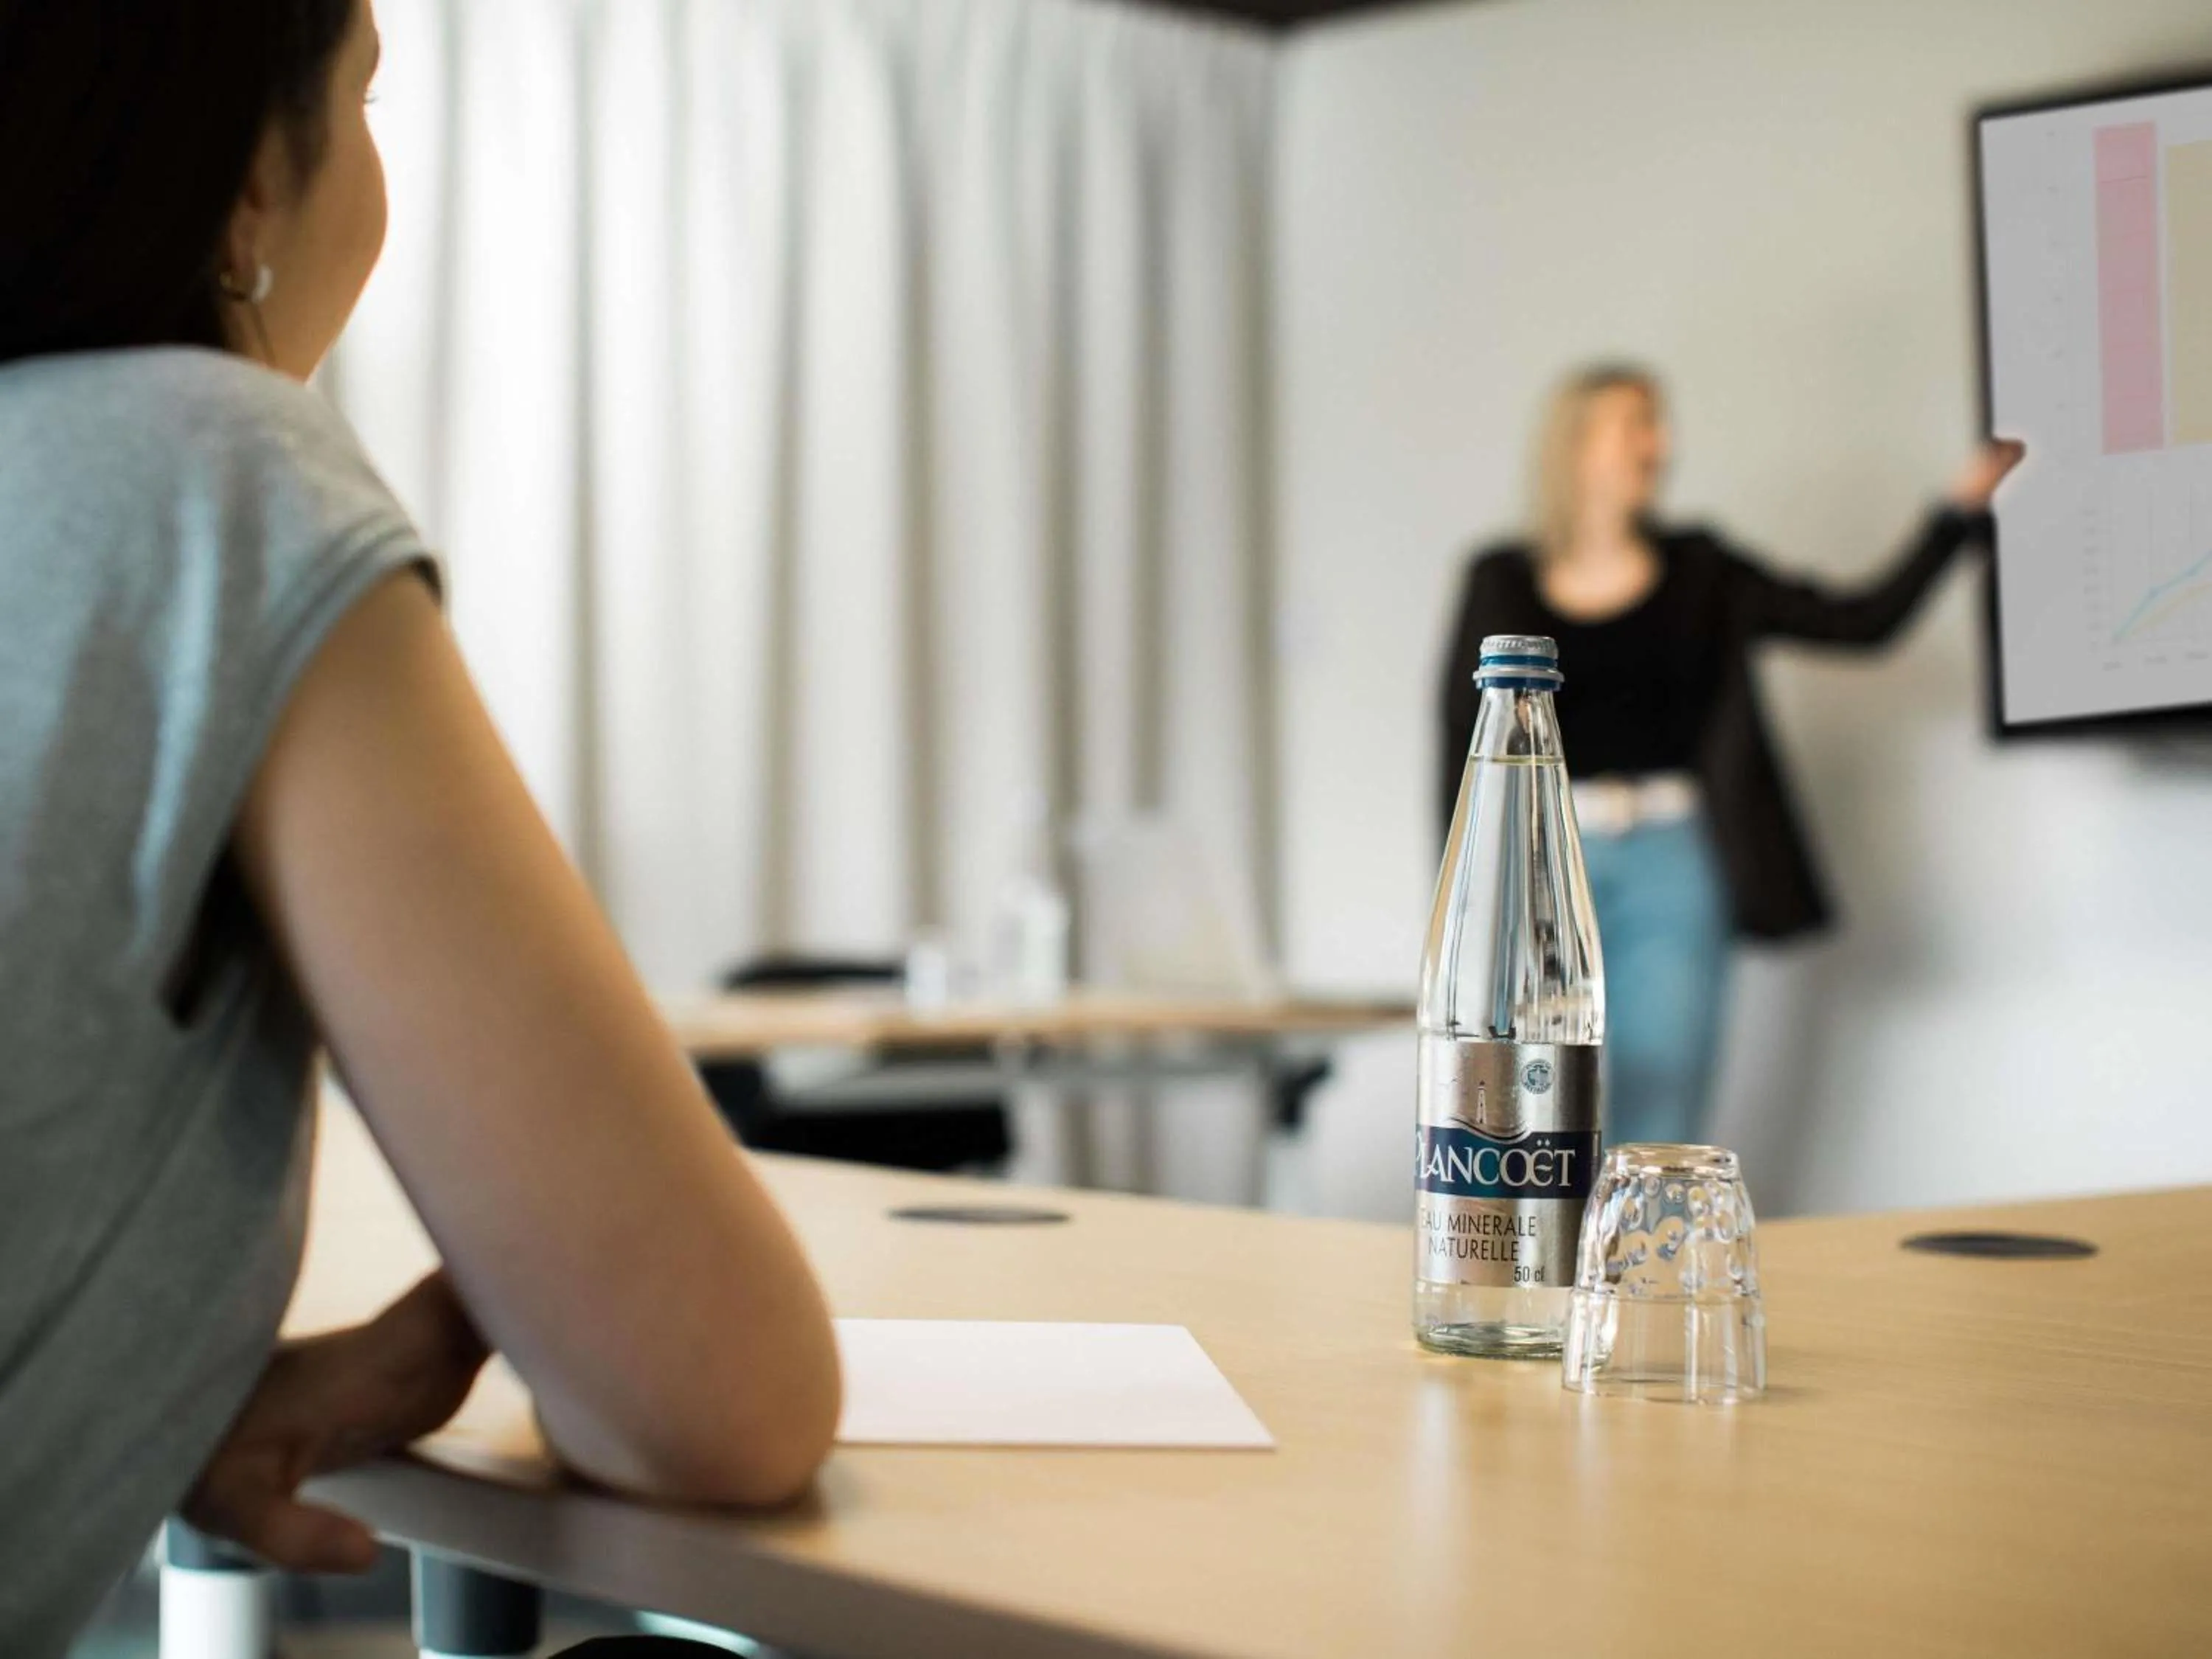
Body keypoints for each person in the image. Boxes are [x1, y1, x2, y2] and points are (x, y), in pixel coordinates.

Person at [0, 3, 841, 1652]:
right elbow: (716, 1400)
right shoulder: (211, 473)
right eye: (364, 94)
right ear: (248, 178)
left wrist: (127, 1396)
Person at [1439, 364, 2020, 1147]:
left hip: (1672, 863)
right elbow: (1463, 748)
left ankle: (1641, 1272)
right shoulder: (1499, 581)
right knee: (1529, 1111)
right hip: (1540, 869)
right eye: (1637, 425)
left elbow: (1862, 621)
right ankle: (1551, 1274)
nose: (1661, 444)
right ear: (1577, 446)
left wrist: (1957, 514)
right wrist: (1466, 910)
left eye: (1660, 425)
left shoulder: (1701, 572)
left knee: (1662, 1099)